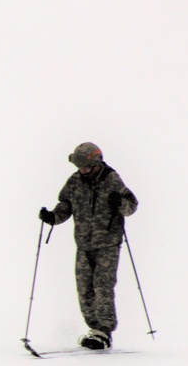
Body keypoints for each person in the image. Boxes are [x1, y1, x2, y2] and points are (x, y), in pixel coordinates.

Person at [39, 142, 138, 350]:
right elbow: (66, 205)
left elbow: (131, 207)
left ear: (95, 163)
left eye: (85, 166)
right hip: (83, 244)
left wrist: (118, 201)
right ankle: (94, 330)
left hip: (108, 243)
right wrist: (53, 217)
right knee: (85, 289)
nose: (81, 170)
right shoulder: (75, 181)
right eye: (79, 166)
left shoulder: (111, 179)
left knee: (102, 286)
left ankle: (104, 330)